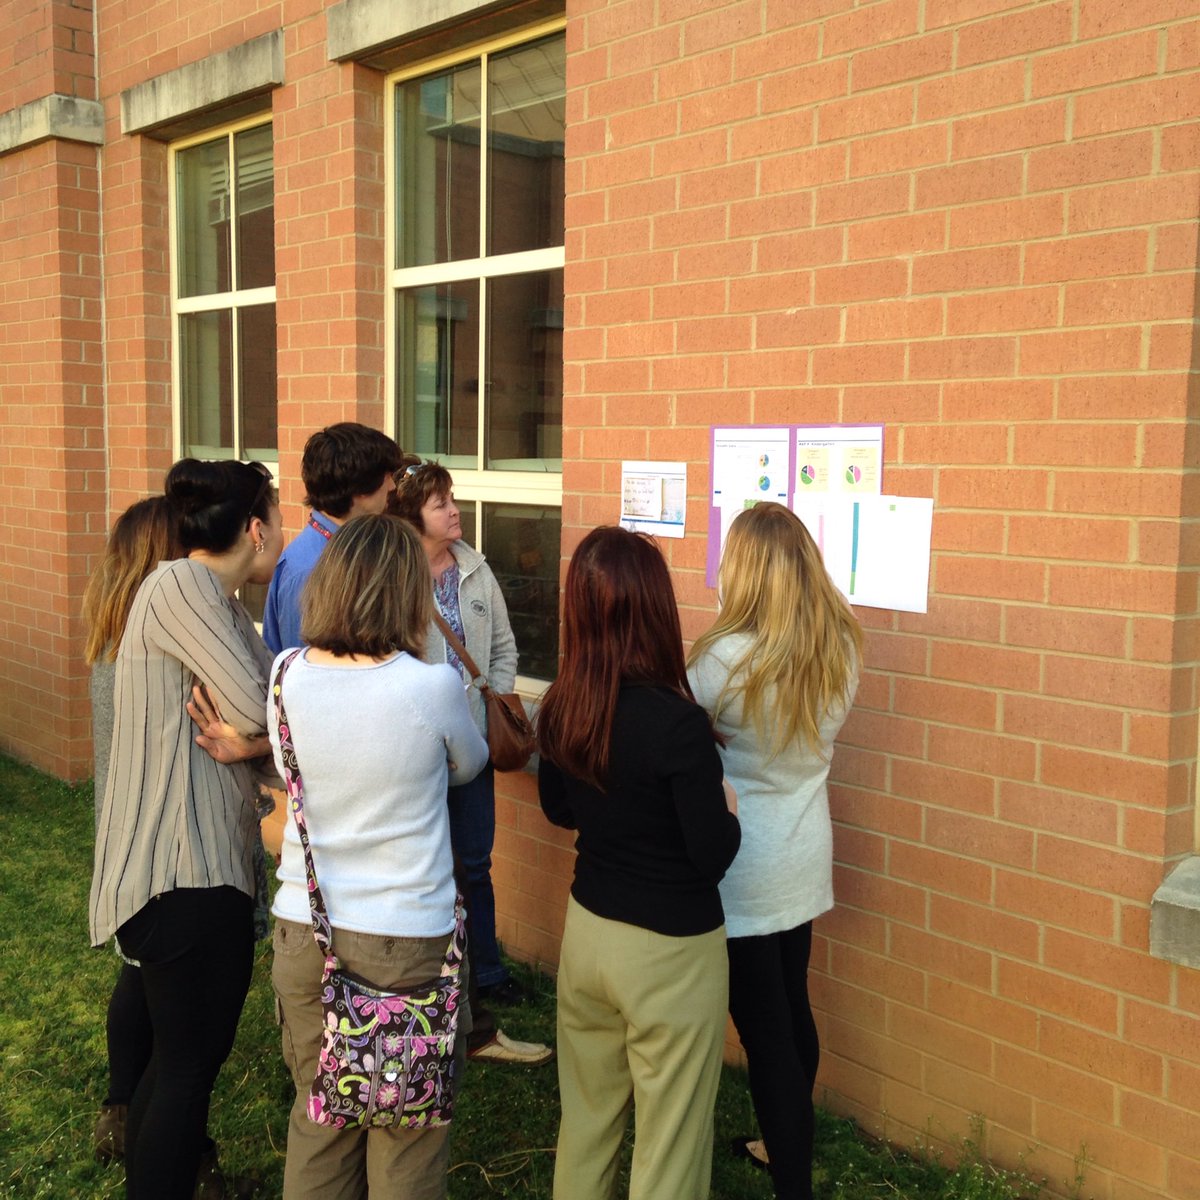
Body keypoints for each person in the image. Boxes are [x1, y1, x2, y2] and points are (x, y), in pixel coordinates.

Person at [267, 513, 489, 1200]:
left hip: (306, 926)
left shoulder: (284, 675)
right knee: (407, 1128)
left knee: (322, 1112)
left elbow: (287, 766)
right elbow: (469, 764)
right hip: (405, 936)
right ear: (406, 593)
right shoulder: (428, 686)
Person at [89, 459, 284, 1200]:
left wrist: (253, 738)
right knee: (185, 1071)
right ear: (256, 528)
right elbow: (270, 709)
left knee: (178, 1068)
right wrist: (258, 735)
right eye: (278, 517)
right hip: (184, 875)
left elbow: (265, 712)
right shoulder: (184, 586)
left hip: (192, 872)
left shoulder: (217, 601)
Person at [536, 526, 741, 1200]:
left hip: (589, 932)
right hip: (670, 953)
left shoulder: (564, 704)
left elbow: (559, 808)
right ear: (655, 610)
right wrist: (731, 814)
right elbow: (711, 856)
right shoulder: (678, 726)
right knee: (671, 1141)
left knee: (588, 1120)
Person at [687, 502, 862, 1200]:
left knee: (766, 1035)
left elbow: (685, 745)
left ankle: (793, 1181)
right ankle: (781, 1142)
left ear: (746, 570)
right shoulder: (839, 646)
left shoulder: (718, 659)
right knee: (793, 1008)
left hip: (744, 867)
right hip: (804, 850)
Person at [390, 457, 551, 1067]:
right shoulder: (397, 578)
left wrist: (491, 703)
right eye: (440, 504)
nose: (455, 510)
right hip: (417, 750)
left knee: (476, 862)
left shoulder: (476, 570)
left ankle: (485, 970)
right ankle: (435, 978)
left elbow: (504, 647)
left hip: (476, 748)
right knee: (430, 865)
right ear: (413, 518)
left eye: (453, 499)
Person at [82, 497, 181, 1164]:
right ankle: (163, 1138)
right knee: (177, 1023)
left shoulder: (112, 626)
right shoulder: (155, 642)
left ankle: (120, 1108)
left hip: (121, 831)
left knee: (138, 977)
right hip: (157, 841)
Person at [262, 422, 402, 655]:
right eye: (386, 476)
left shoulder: (349, 546)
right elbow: (304, 669)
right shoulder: (307, 570)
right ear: (360, 485)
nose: (392, 486)